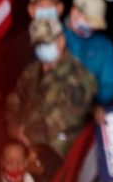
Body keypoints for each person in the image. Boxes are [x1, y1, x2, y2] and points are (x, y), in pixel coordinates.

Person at [6, 17, 97, 157]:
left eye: (47, 42)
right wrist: (13, 127)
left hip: (57, 156)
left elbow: (64, 120)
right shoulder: (32, 70)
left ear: (61, 41)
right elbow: (14, 97)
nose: (42, 48)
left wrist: (25, 136)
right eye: (38, 44)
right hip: (22, 151)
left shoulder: (81, 77)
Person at [64, 0, 113, 107]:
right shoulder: (55, 36)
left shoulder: (103, 45)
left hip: (89, 113)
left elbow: (110, 86)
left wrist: (92, 102)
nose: (90, 26)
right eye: (88, 20)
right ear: (74, 11)